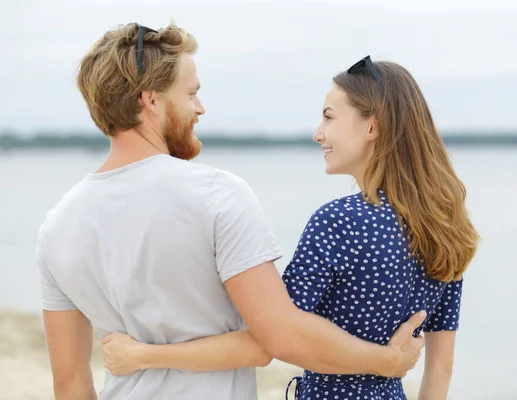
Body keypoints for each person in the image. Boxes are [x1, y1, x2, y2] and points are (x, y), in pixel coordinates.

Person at [36, 22, 426, 400]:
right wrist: (388, 361)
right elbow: (277, 339)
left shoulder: (56, 227)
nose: (200, 108)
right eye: (190, 94)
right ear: (150, 100)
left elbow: (70, 385)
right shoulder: (215, 194)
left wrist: (144, 356)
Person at [100, 55, 479, 400]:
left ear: (372, 125)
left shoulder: (339, 222)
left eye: (329, 117)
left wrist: (143, 355)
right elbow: (440, 367)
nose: (318, 132)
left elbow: (269, 341)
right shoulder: (444, 228)